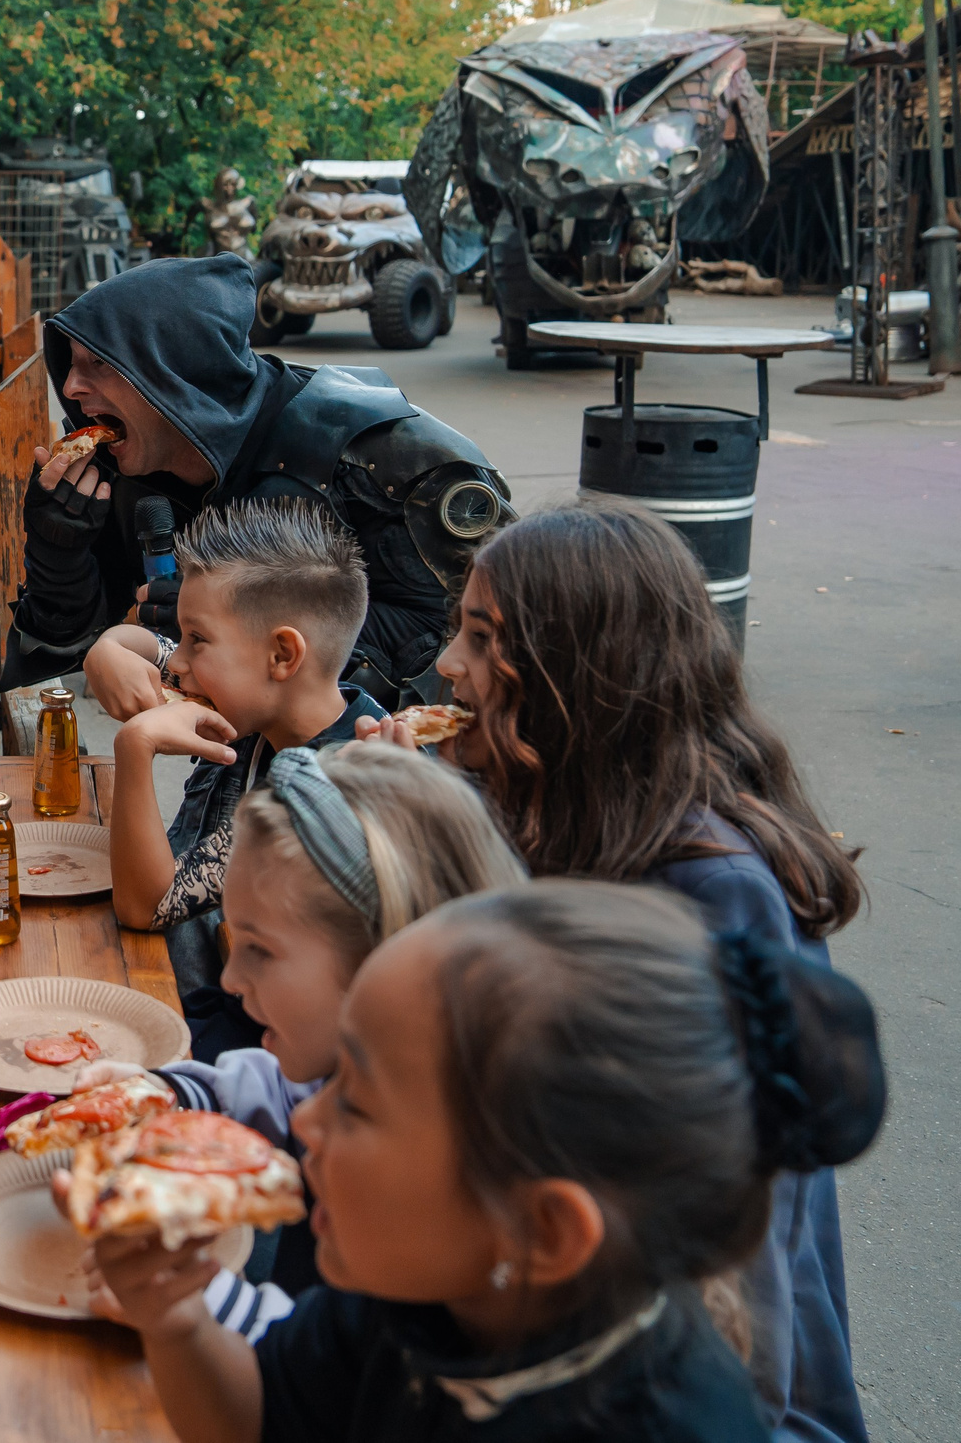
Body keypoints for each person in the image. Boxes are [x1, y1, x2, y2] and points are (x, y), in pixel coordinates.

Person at [365, 499, 869, 1443]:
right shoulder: (549, 804)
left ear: (576, 676)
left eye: (480, 638)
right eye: (456, 629)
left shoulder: (715, 890)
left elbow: (748, 1225)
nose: (445, 665)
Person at [84, 881, 887, 1442]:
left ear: (541, 1226)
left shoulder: (669, 1424)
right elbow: (260, 1418)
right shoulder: (418, 1301)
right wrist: (177, 1318)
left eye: (355, 1099)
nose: (308, 1121)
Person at [71, 742, 525, 1341]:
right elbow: (289, 1089)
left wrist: (199, 1300)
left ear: (382, 961)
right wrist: (169, 1095)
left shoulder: (431, 1175)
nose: (231, 979)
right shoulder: (355, 1072)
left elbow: (344, 1365)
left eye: (260, 949)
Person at [4, 255, 508, 711]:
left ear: (174, 368)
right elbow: (61, 660)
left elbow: (478, 646)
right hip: (241, 773)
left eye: (99, 364)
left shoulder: (388, 457)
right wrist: (59, 554)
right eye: (70, 364)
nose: (70, 387)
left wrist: (238, 623)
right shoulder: (119, 469)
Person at [104, 500, 380, 1056]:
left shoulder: (329, 789)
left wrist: (135, 748)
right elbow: (140, 647)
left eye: (196, 640)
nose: (177, 662)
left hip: (237, 1037)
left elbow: (147, 907)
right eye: (180, 638)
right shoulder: (262, 704)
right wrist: (106, 648)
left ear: (282, 654)